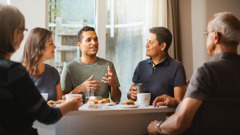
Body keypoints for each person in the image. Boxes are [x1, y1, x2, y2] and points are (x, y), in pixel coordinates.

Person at [148, 12, 240, 135]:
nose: (206, 38)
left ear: (216, 37)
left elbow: (180, 123)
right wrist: (178, 102)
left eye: (207, 34)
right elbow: (217, 109)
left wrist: (157, 127)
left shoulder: (207, 72)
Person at [0, 4, 82, 135]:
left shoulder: (51, 72)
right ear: (15, 34)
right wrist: (72, 104)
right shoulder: (14, 72)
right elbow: (47, 116)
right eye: (23, 31)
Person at [127, 27, 187, 105]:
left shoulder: (177, 67)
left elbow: (179, 102)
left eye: (151, 42)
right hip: (141, 115)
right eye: (147, 41)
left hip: (164, 115)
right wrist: (131, 94)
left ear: (162, 46)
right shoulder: (141, 66)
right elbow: (129, 93)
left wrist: (171, 101)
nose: (146, 45)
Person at [61, 26, 121, 103]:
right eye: (88, 40)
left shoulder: (108, 65)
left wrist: (114, 85)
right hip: (78, 114)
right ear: (79, 45)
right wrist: (79, 89)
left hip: (102, 112)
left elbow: (117, 100)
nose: (94, 42)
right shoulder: (69, 68)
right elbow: (61, 99)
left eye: (95, 39)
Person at [22, 27, 61, 101]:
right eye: (51, 44)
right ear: (39, 47)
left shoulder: (53, 73)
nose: (55, 46)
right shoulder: (18, 73)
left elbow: (59, 105)